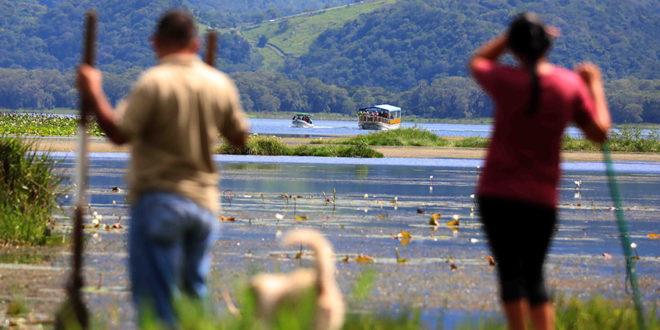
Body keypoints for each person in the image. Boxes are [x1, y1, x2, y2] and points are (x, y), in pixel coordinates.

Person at [76, 10, 249, 326]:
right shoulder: (218, 83)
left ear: (155, 42)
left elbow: (119, 133)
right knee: (193, 297)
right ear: (195, 43)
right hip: (205, 207)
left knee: (158, 306)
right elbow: (239, 137)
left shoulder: (154, 82)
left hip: (161, 202)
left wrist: (93, 92)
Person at [468, 12, 610, 330]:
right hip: (541, 198)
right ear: (547, 46)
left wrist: (511, 34)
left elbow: (477, 61)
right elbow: (599, 133)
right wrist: (594, 85)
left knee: (509, 273)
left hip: (496, 194)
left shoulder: (505, 80)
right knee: (534, 275)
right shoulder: (569, 85)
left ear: (514, 49)